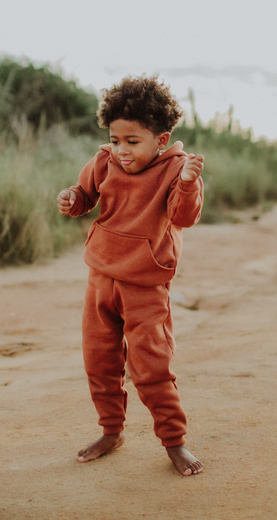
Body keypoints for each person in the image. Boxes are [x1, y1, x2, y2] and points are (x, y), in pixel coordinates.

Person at [56, 74, 205, 476]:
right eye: (115, 139)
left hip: (146, 286)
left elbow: (183, 217)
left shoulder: (178, 170)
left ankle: (174, 443)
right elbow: (84, 196)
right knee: (99, 361)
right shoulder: (104, 159)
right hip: (100, 278)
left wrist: (189, 184)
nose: (121, 150)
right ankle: (111, 431)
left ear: (161, 138)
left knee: (151, 367)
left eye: (132, 142)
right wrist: (71, 199)